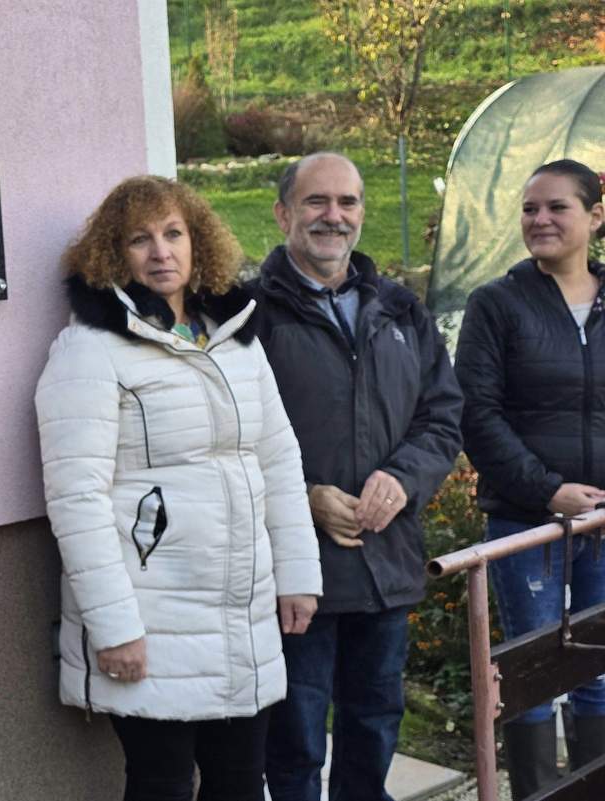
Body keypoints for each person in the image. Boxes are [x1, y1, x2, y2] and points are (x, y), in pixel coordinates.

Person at [34, 175, 322, 801]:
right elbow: (76, 498)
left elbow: (278, 457)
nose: (161, 252)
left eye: (174, 234)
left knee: (241, 782)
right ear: (115, 255)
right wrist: (114, 628)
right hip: (151, 618)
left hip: (241, 617)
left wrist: (299, 573)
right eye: (141, 239)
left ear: (199, 245)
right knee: (162, 785)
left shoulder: (236, 340)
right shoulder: (89, 350)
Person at [249, 152, 462, 801]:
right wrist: (303, 497)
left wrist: (405, 477)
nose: (333, 216)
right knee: (295, 740)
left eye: (348, 202)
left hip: (385, 561)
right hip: (297, 571)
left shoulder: (400, 309)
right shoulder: (249, 316)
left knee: (374, 727)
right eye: (317, 201)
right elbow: (224, 435)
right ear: (284, 212)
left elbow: (443, 413)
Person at [455, 159, 605, 797]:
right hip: (527, 521)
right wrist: (547, 489)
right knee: (530, 666)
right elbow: (476, 415)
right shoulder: (497, 304)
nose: (539, 220)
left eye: (556, 208)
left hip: (604, 521)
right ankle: (537, 792)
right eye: (528, 209)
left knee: (599, 668)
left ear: (596, 217)